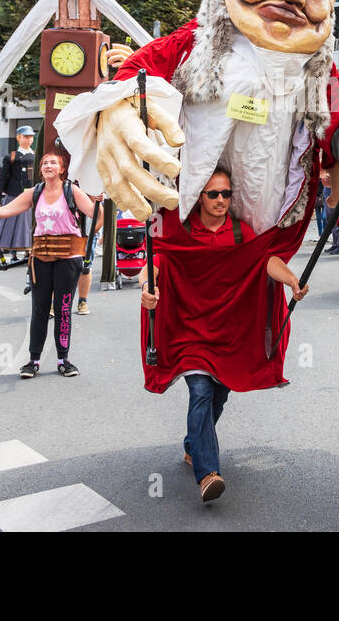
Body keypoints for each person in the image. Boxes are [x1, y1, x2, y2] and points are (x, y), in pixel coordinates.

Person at [139, 169, 309, 502]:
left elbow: (265, 259)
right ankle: (208, 473)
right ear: (199, 197)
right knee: (201, 390)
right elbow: (156, 258)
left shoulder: (240, 232)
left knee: (219, 394)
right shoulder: (179, 227)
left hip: (229, 332)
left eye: (226, 194)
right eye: (213, 194)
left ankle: (193, 445)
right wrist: (147, 287)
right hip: (188, 329)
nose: (221, 201)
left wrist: (291, 280)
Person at [0, 151, 99, 379]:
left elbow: (96, 218)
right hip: (40, 258)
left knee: (62, 310)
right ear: (40, 169)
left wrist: (100, 205)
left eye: (53, 163)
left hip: (68, 259)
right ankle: (33, 360)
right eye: (45, 163)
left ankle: (63, 360)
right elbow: (4, 212)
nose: (48, 166)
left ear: (62, 169)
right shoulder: (35, 192)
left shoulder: (72, 190)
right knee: (39, 310)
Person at [0, 128, 37, 263]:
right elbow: (2, 179)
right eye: (25, 137)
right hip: (14, 196)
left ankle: (29, 252)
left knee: (30, 225)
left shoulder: (36, 155)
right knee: (12, 224)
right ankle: (13, 254)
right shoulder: (11, 157)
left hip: (32, 195)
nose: (29, 139)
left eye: (31, 137)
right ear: (18, 137)